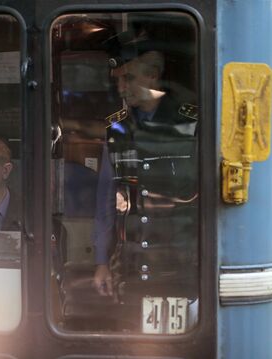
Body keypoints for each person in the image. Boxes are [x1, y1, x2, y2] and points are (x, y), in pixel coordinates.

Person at [92, 40, 199, 301]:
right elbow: (106, 200)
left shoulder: (192, 124)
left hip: (182, 265)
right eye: (117, 80)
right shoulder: (117, 130)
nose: (120, 88)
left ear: (152, 76)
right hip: (130, 266)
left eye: (128, 78)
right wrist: (101, 261)